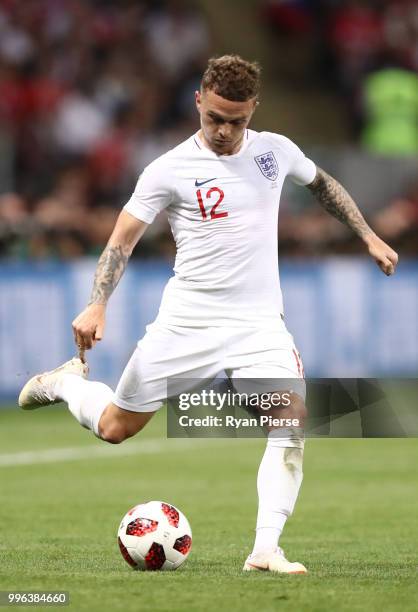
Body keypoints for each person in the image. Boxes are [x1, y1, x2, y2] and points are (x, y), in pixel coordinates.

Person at [18, 55, 398, 574]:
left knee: (289, 423)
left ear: (253, 111)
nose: (223, 131)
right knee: (114, 428)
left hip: (259, 325)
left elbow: (324, 185)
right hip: (187, 323)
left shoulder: (275, 151)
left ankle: (265, 549)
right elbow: (122, 239)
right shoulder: (168, 169)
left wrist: (369, 235)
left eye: (236, 121)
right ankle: (64, 383)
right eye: (214, 117)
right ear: (198, 100)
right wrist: (98, 301)